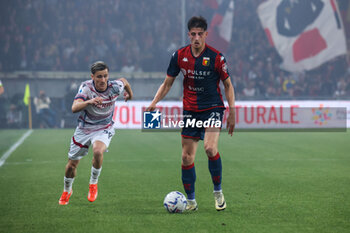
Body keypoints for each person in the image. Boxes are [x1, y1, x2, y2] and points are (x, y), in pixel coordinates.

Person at [147, 16, 235, 211]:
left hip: (212, 107)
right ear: (189, 35)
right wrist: (154, 102)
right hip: (190, 111)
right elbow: (167, 82)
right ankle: (191, 201)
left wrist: (232, 112)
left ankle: (218, 192)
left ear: (206, 35)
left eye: (199, 34)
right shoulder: (179, 56)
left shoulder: (216, 57)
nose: (196, 38)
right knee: (187, 157)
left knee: (210, 149)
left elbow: (227, 85)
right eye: (193, 34)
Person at [58, 61, 133, 205]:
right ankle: (67, 190)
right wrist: (90, 101)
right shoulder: (86, 88)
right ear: (92, 76)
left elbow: (125, 81)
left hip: (104, 127)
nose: (103, 80)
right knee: (71, 166)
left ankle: (93, 184)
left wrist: (129, 94)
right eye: (99, 77)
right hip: (84, 129)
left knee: (98, 151)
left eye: (105, 76)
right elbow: (74, 108)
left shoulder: (114, 87)